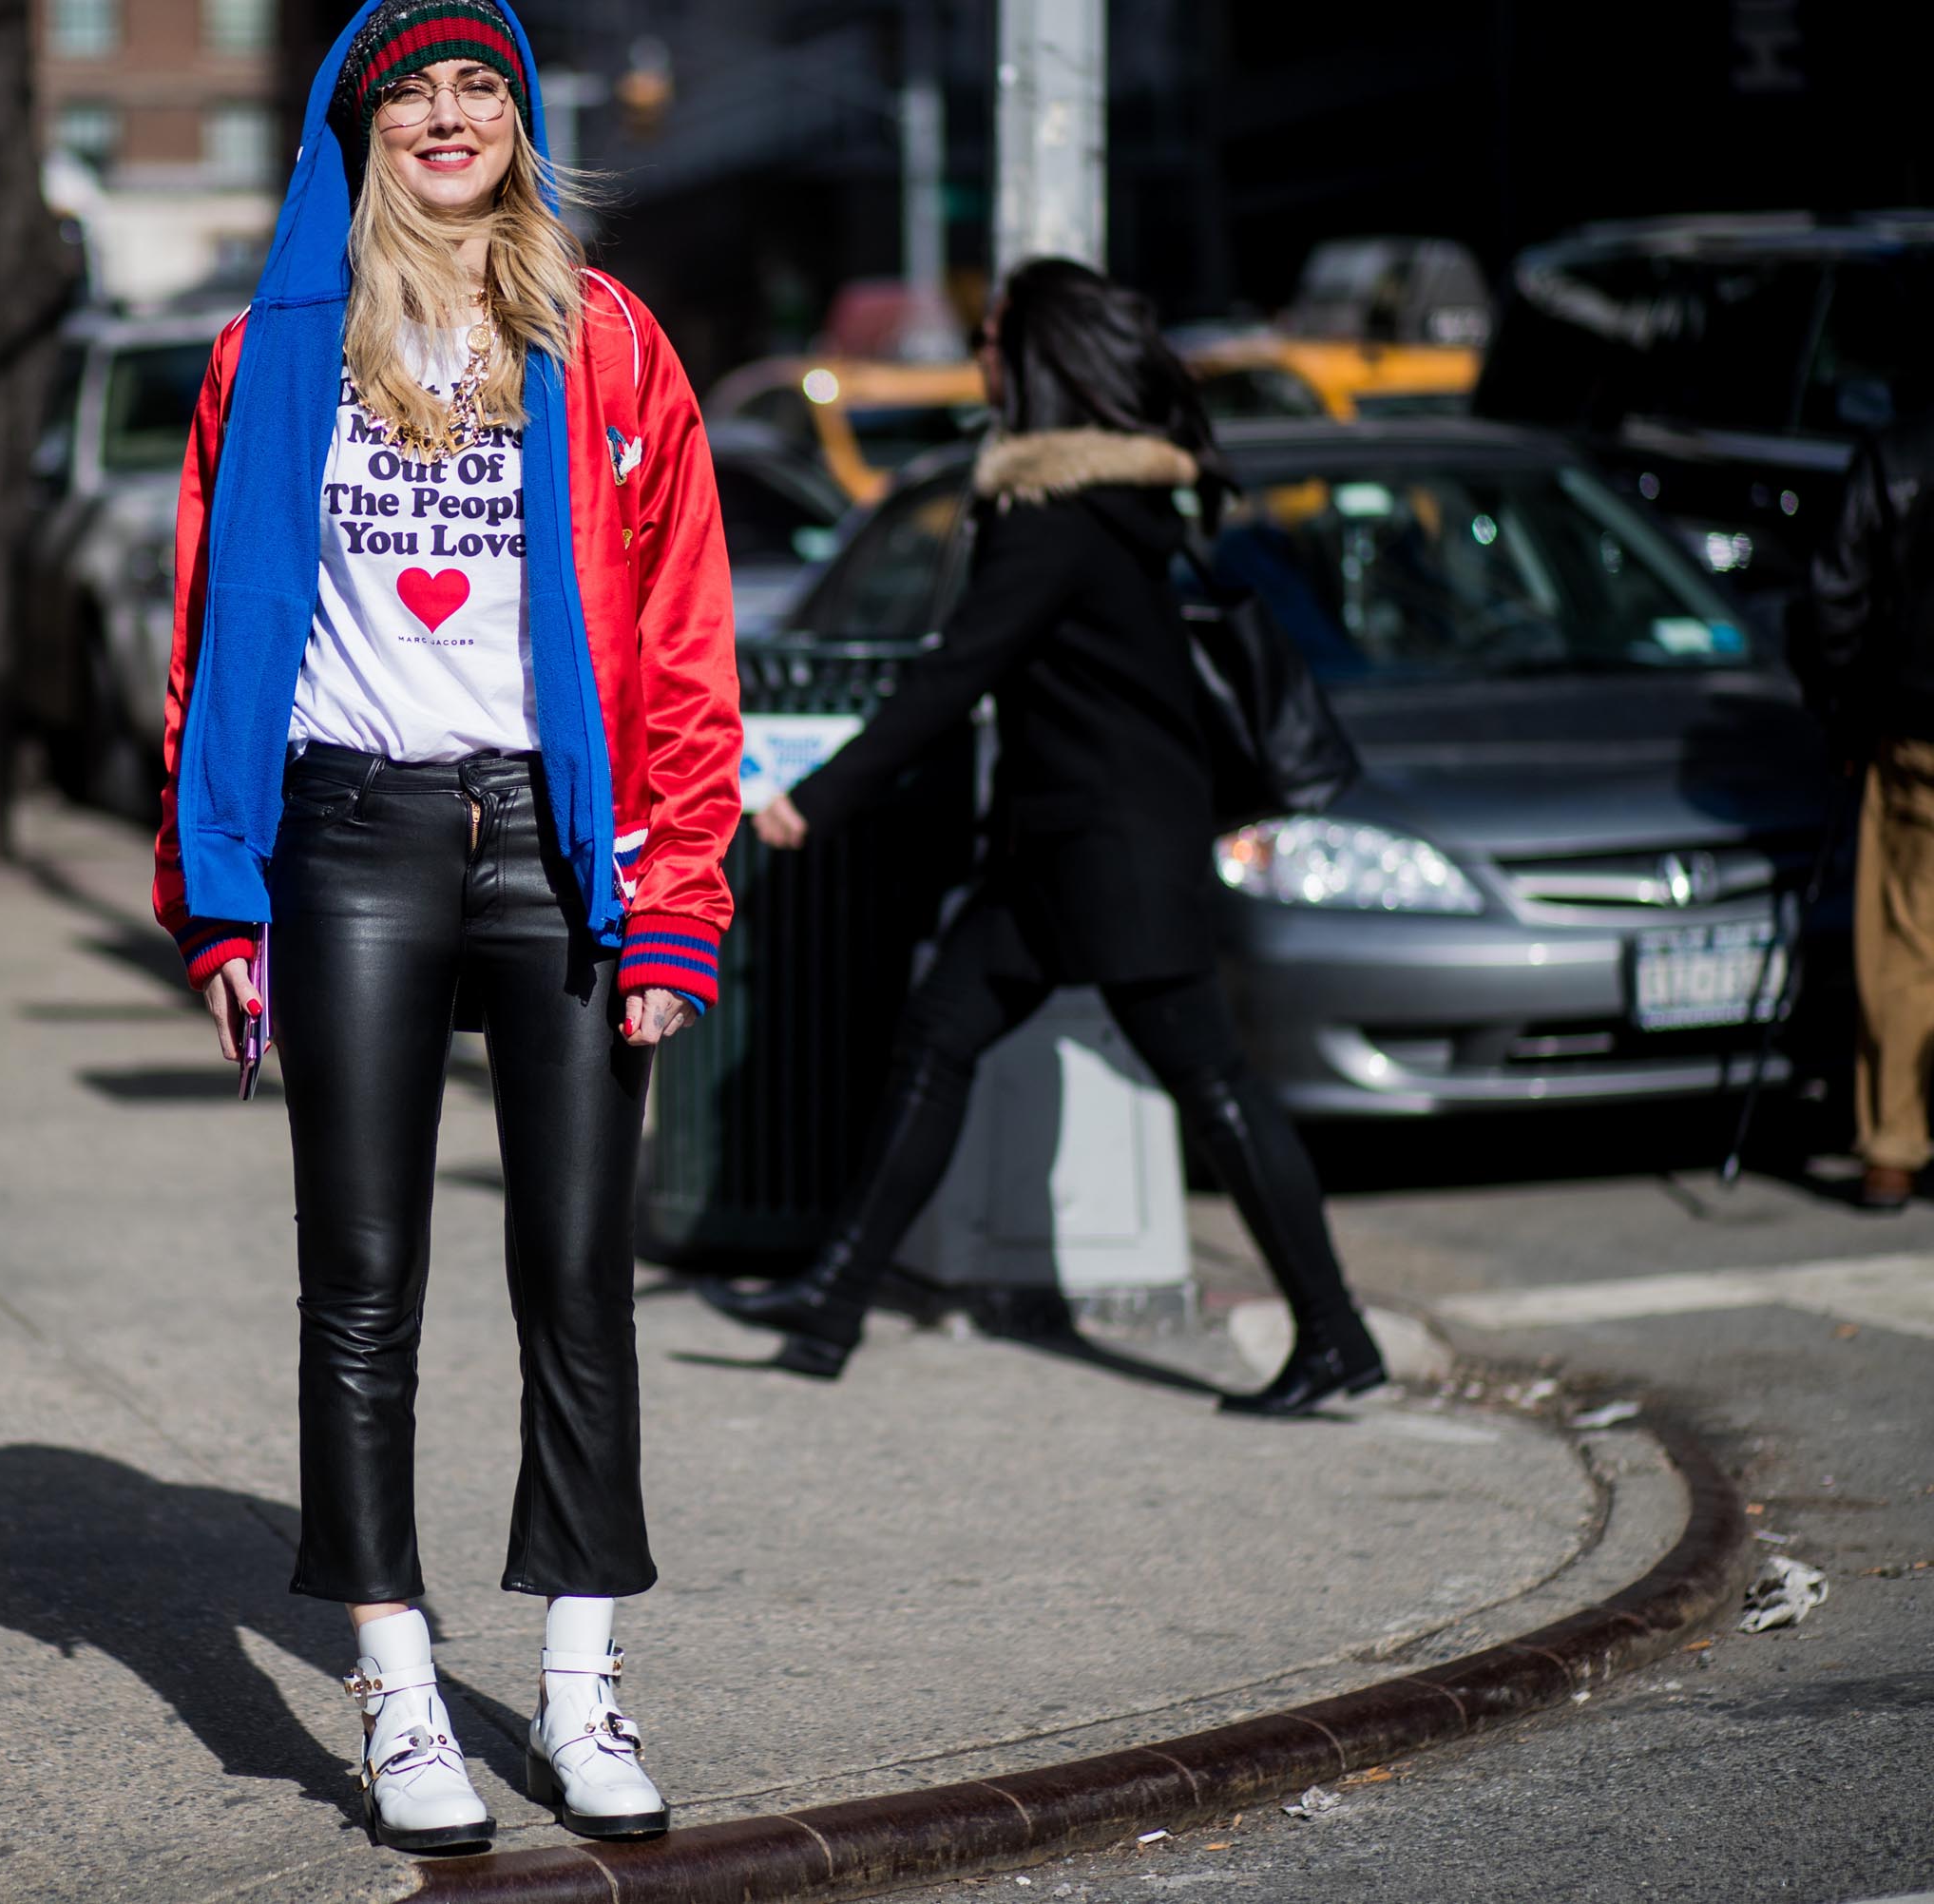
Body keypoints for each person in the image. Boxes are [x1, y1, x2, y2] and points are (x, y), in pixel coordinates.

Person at [154, 0, 741, 1853]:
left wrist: (675, 909)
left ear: (522, 117)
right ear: (360, 125)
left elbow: (678, 642)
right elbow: (211, 640)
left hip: (556, 845)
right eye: (416, 87)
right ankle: (399, 1686)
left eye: (481, 82)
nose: (452, 114)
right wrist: (221, 893)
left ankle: (579, 1684)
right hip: (352, 835)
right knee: (365, 1282)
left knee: (577, 1275)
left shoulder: (607, 335)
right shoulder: (274, 356)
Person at [700, 258, 1388, 1418]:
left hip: (1112, 858)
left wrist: (815, 795)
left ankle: (1335, 1333)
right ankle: (831, 1301)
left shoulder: (1054, 518)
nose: (979, 358)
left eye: (996, 340)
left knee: (1214, 1084)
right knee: (939, 1038)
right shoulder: (1107, 506)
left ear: (1040, 364)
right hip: (1060, 854)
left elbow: (953, 675)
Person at [1792, 403, 1934, 1211]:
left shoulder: (1899, 449)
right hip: (1913, 718)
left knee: (1907, 943)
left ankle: (1894, 1145)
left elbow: (1835, 595)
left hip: (1916, 723)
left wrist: (1844, 708)